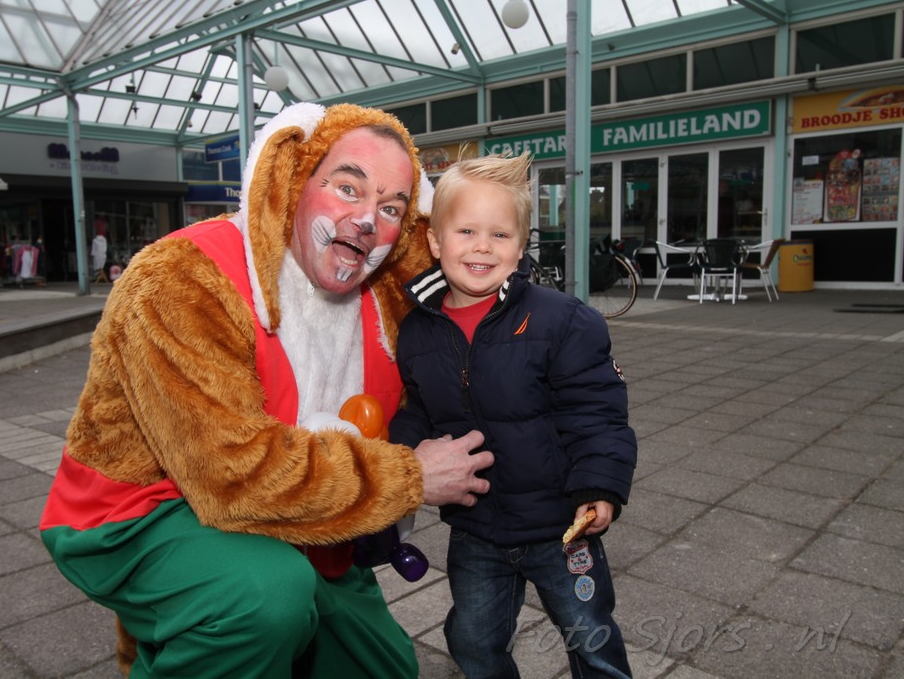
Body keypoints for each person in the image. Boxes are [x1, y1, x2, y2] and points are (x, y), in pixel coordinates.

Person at [39, 103, 494, 678]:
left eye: (390, 209)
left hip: (300, 519)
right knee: (264, 599)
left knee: (387, 669)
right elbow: (228, 475)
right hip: (143, 509)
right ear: (294, 181)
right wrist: (410, 478)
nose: (365, 220)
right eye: (348, 188)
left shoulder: (383, 303)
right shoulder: (180, 277)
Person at [389, 152, 637, 679]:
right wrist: (399, 457)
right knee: (472, 640)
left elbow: (597, 411)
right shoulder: (417, 330)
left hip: (560, 527)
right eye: (466, 231)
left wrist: (600, 485)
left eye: (500, 235)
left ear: (521, 246)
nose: (482, 246)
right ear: (435, 241)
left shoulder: (562, 319)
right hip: (476, 528)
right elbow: (418, 410)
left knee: (591, 637)